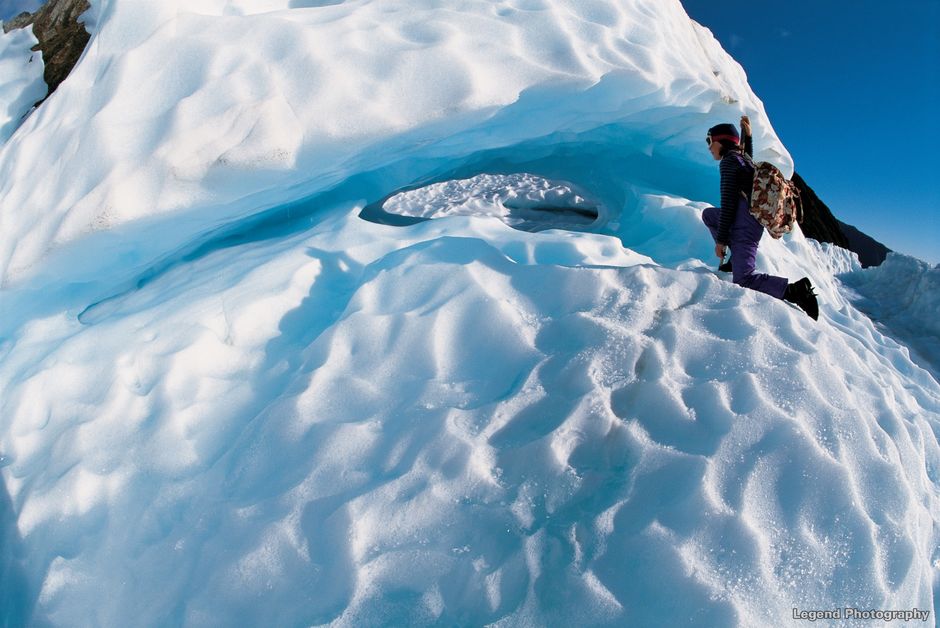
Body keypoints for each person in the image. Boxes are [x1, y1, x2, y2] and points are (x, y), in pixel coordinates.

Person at [701, 116, 819, 320]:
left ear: (721, 142)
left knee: (744, 278)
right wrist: (747, 136)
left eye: (710, 141)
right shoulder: (741, 159)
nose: (709, 147)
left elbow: (729, 202)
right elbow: (747, 156)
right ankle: (734, 259)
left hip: (745, 225)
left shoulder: (729, 163)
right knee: (709, 215)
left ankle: (795, 291)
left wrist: (721, 241)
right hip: (748, 219)